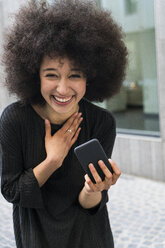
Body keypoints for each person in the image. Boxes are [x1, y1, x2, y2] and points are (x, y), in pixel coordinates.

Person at [0, 0, 127, 247]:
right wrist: (52, 161)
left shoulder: (102, 122)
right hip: (38, 239)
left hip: (89, 238)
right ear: (33, 75)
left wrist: (94, 189)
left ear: (89, 78)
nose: (62, 88)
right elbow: (12, 192)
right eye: (51, 75)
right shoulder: (15, 120)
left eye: (75, 75)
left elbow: (89, 205)